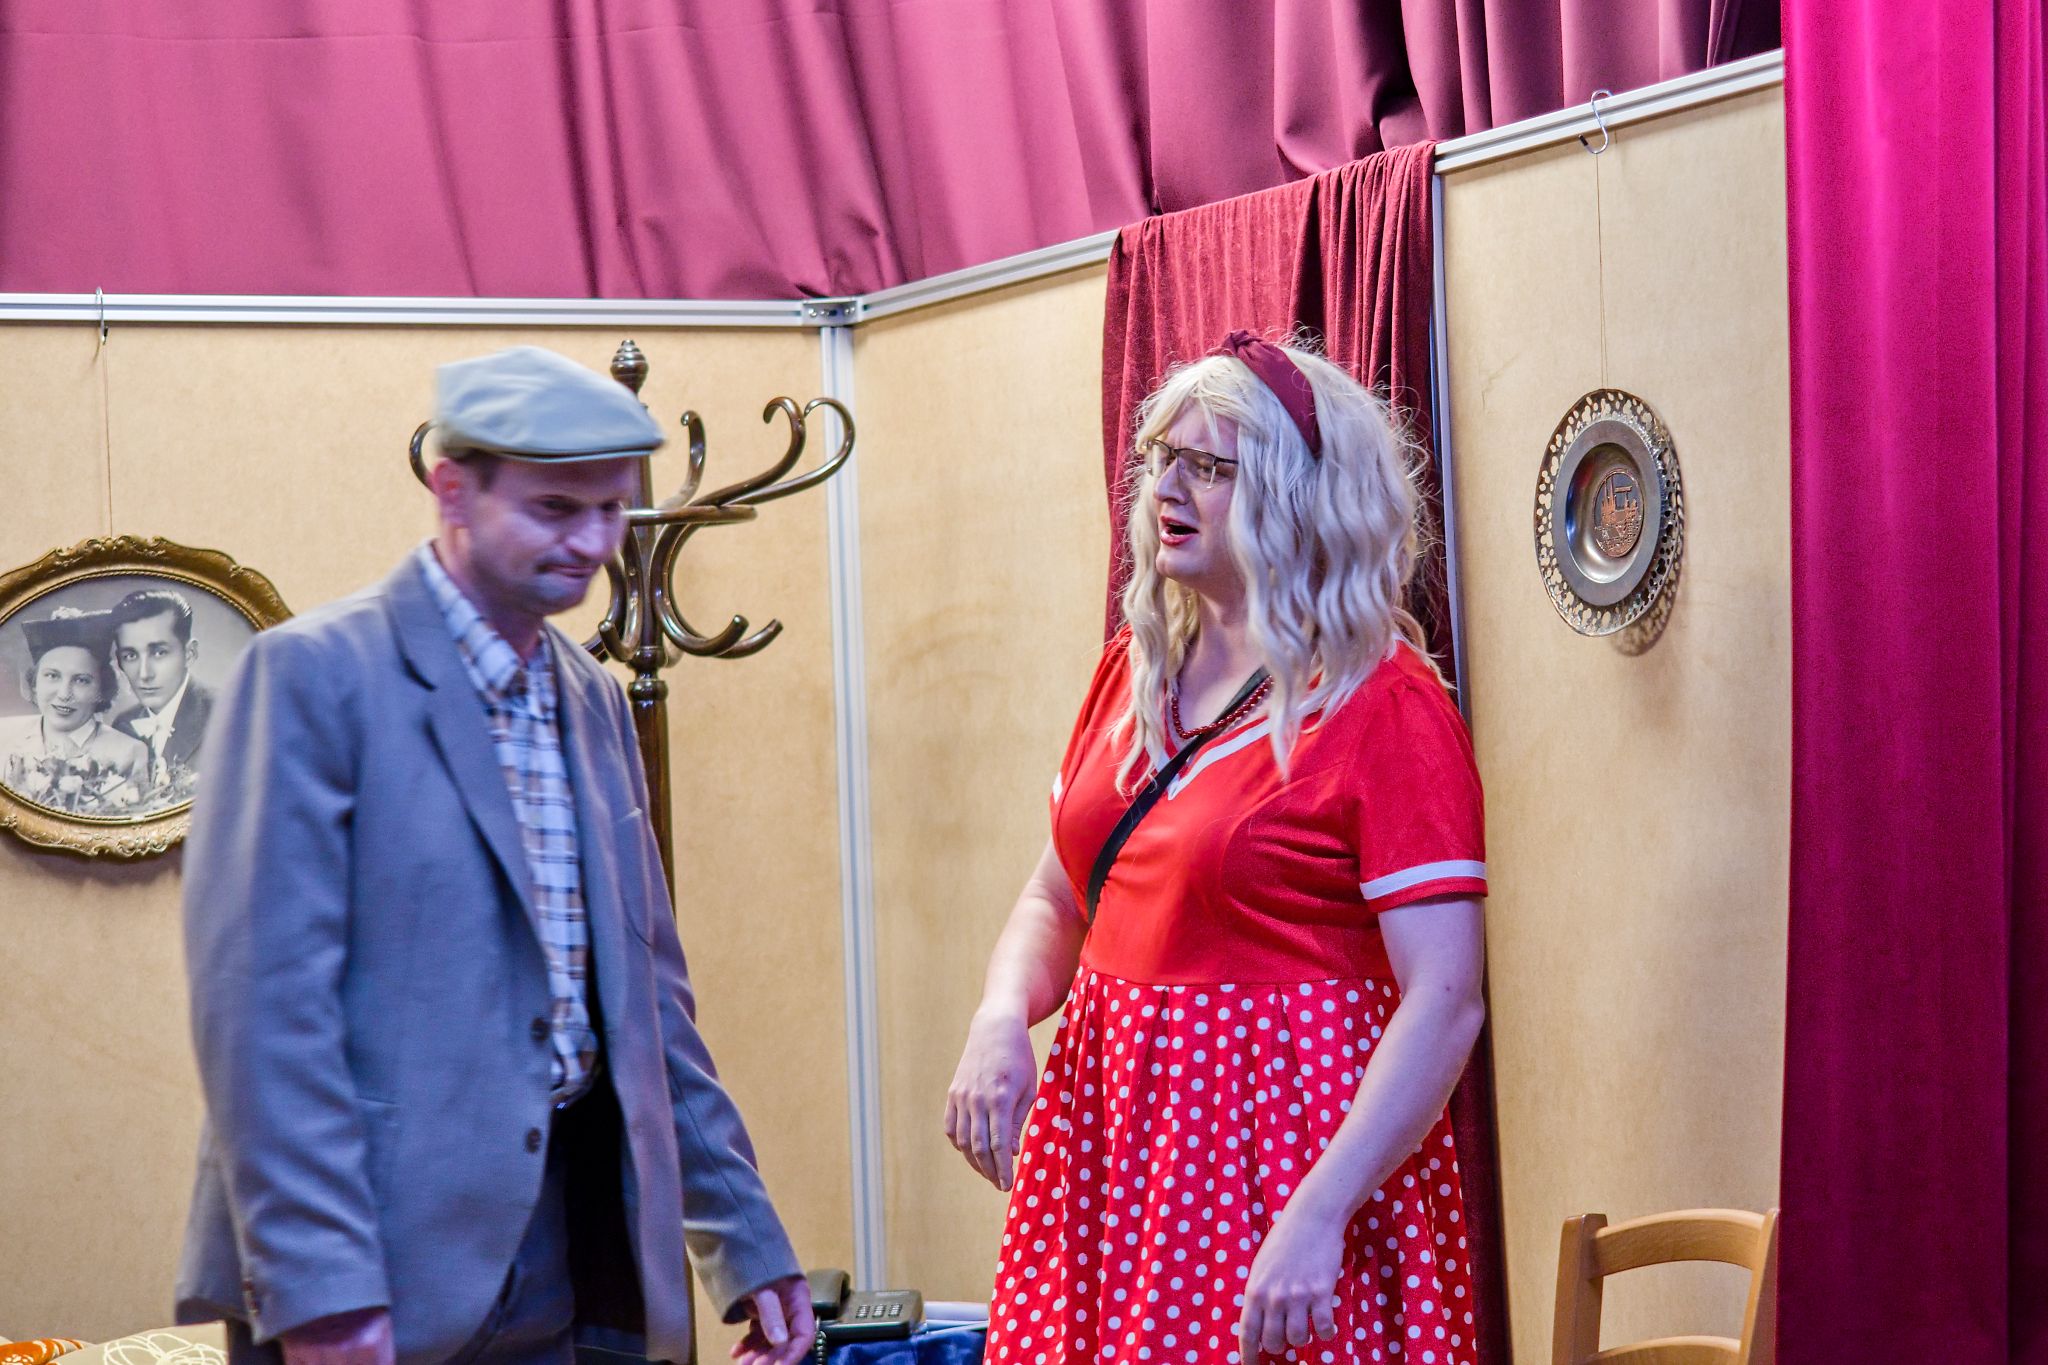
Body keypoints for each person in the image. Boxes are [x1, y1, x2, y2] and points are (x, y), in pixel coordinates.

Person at [176, 347, 815, 1365]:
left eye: (610, 509)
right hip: (373, 1271)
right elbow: (262, 1016)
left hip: (571, 1258)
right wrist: (323, 1292)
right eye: (556, 508)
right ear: (453, 490)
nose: (593, 542)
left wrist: (747, 1243)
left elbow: (651, 1005)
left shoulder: (593, 699)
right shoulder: (312, 677)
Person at [944, 333, 1489, 1365]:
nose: (1167, 487)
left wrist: (1321, 1210)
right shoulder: (1132, 674)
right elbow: (1059, 898)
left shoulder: (1382, 703)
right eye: (1162, 457)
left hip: (1285, 1162)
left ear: (1296, 496)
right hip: (1118, 1155)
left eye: (1207, 465)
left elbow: (1446, 998)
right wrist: (1000, 1014)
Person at [1, 607, 148, 809]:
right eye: (52, 676)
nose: (64, 694)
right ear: (35, 683)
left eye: (81, 680)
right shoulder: (4, 737)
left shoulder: (128, 753)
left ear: (102, 689)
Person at [110, 586, 214, 795]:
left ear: (189, 654)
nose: (144, 673)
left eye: (159, 652)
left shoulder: (230, 715)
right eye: (131, 656)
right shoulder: (123, 725)